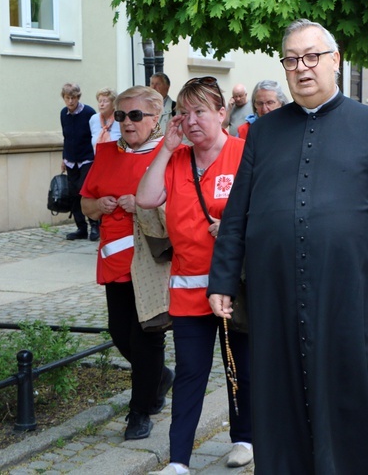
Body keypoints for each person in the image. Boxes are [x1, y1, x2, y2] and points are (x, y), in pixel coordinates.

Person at [207, 18, 368, 474]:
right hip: (276, 295)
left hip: (350, 295)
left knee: (356, 396)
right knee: (280, 399)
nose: (302, 68)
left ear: (335, 60)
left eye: (312, 57)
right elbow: (237, 214)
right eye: (291, 59)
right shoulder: (262, 133)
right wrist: (223, 278)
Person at [137, 77, 253, 475]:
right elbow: (146, 199)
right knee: (190, 373)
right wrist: (165, 149)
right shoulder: (177, 160)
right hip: (189, 289)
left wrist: (238, 226)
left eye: (200, 111)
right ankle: (179, 461)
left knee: (241, 367)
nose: (191, 120)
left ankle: (244, 438)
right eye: (183, 113)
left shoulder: (244, 153)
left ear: (222, 114)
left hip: (237, 287)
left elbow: (268, 209)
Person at [80, 86, 174, 441]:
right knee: (120, 333)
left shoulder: (171, 154)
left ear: (155, 118)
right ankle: (160, 377)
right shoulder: (106, 152)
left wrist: (146, 203)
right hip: (114, 258)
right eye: (121, 116)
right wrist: (99, 204)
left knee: (146, 334)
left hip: (149, 259)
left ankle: (140, 411)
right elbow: (85, 204)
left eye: (135, 116)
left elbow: (181, 206)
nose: (127, 123)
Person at [59, 83, 99, 241]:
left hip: (87, 158)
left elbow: (95, 135)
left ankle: (94, 225)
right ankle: (81, 228)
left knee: (86, 192)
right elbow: (66, 137)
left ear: (78, 97)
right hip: (70, 159)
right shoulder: (63, 114)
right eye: (67, 98)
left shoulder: (89, 113)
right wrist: (63, 157)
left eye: (73, 98)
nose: (70, 101)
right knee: (74, 194)